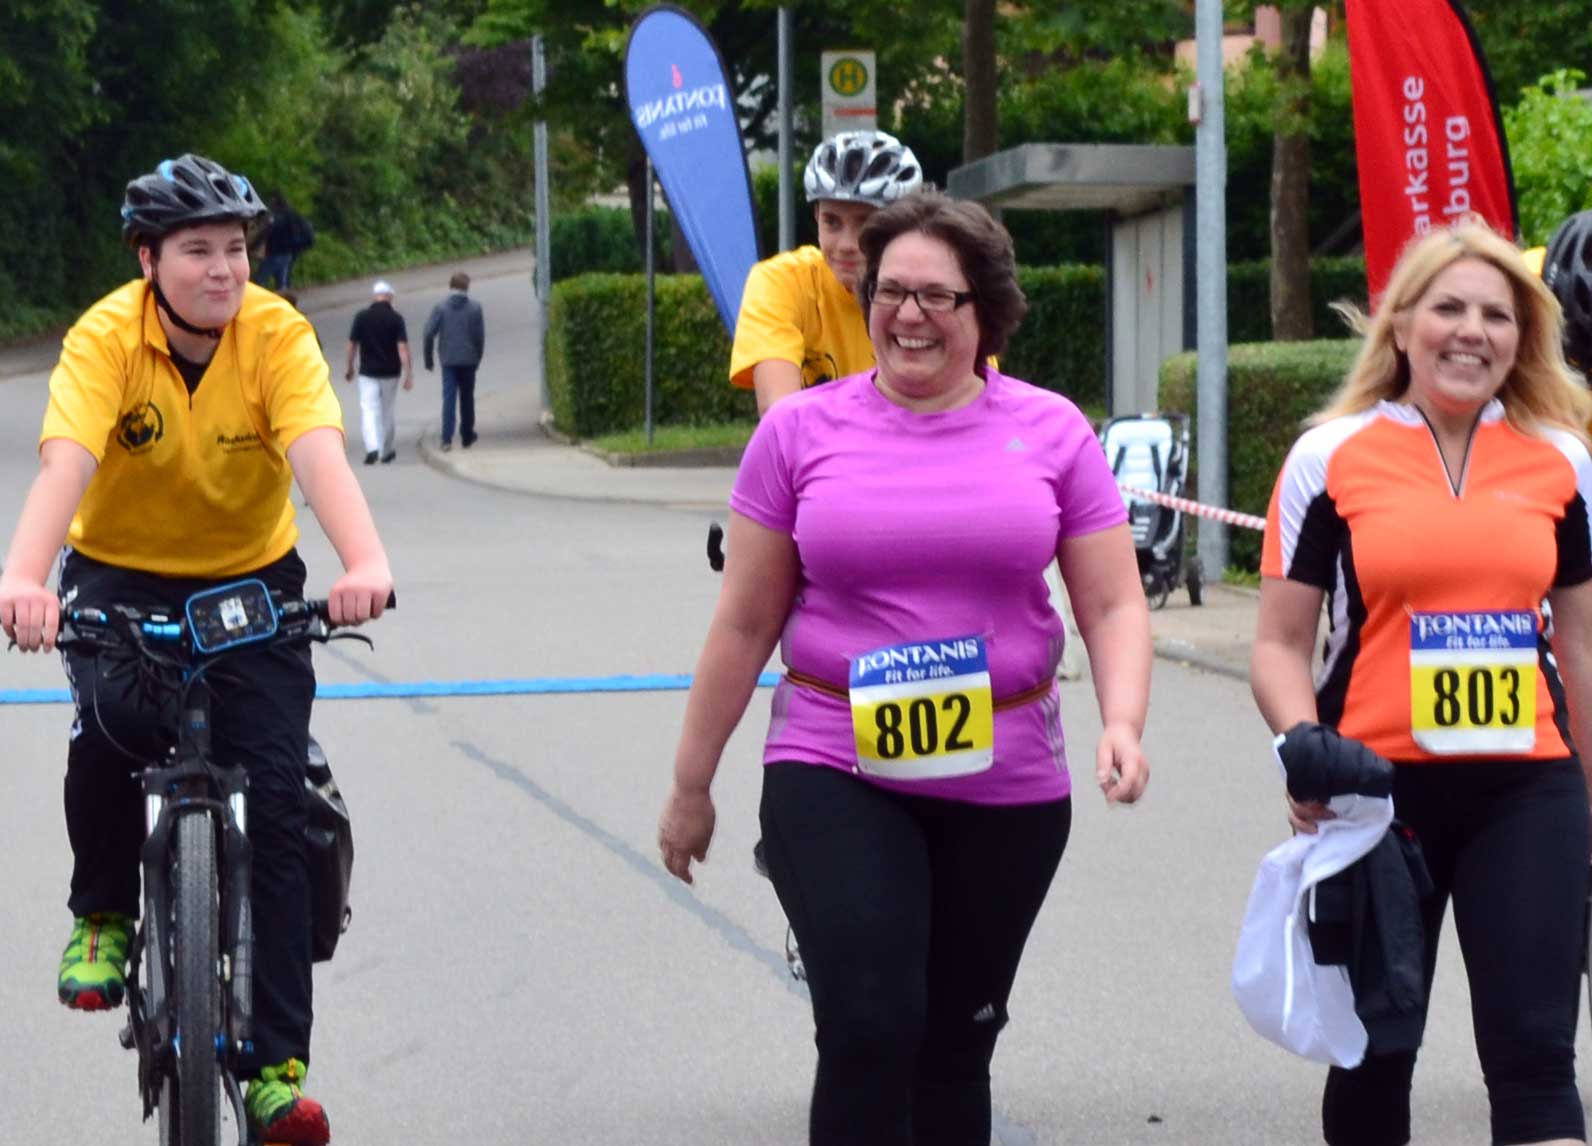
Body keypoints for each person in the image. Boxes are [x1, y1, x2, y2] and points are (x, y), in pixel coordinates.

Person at [660, 191, 1151, 1145]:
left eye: (936, 296)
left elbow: (1112, 604)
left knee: (957, 1045)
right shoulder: (798, 433)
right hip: (833, 762)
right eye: (890, 292)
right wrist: (691, 784)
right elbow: (745, 622)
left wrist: (1123, 721)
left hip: (1007, 777)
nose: (908, 315)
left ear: (985, 310)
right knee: (870, 1027)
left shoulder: (1052, 430)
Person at [0, 153, 394, 1146]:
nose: (223, 270)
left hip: (249, 580)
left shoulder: (275, 334)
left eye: (236, 249)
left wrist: (365, 560)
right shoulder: (105, 339)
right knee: (106, 727)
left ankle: (275, 1073)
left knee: (277, 800)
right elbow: (65, 466)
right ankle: (102, 914)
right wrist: (24, 580)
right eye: (197, 251)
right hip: (120, 575)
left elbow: (318, 455)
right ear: (147, 259)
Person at [1250, 218, 1592, 1146]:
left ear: (1523, 337)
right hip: (1377, 798)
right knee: (1373, 1060)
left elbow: (1581, 648)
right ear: (1401, 325)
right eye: (1448, 308)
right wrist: (1303, 747)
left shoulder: (1562, 460)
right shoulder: (1329, 456)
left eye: (1497, 315)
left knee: (1537, 1058)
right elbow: (1280, 642)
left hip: (1530, 790)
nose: (1471, 331)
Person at [730, 130, 923, 415]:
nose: (846, 244)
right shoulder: (782, 281)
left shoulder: (937, 292)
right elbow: (780, 412)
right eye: (832, 222)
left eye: (866, 224)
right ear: (816, 216)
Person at [345, 280, 411, 465]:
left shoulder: (361, 317)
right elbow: (402, 348)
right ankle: (385, 450)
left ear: (375, 296)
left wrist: (350, 367)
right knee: (386, 411)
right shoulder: (396, 318)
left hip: (367, 371)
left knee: (368, 409)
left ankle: (372, 447)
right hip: (391, 372)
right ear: (389, 297)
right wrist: (408, 374)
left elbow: (352, 345)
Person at [422, 271, 485, 452]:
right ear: (467, 287)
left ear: (450, 287)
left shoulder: (441, 308)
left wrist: (429, 359)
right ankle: (467, 434)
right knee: (467, 397)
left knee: (448, 398)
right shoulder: (475, 308)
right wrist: (478, 356)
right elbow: (479, 336)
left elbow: (428, 334)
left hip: (448, 359)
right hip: (468, 359)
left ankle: (446, 438)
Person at [255, 192, 315, 290]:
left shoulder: (276, 217)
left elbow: (267, 232)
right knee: (282, 284)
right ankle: (282, 298)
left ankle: (258, 298)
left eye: (271, 201)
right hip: (288, 254)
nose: (269, 204)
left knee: (259, 280)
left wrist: (253, 246)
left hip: (276, 254)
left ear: (275, 203)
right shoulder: (292, 215)